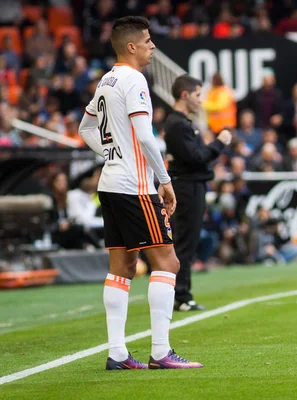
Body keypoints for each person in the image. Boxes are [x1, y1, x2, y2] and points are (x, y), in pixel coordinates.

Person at [77, 16, 202, 370]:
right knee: (168, 262)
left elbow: (85, 126)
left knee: (122, 267)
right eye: (148, 41)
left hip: (110, 183)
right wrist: (164, 179)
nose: (153, 46)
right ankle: (161, 351)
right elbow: (145, 136)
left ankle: (117, 353)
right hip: (135, 185)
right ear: (131, 46)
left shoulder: (106, 80)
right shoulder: (134, 80)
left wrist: (109, 154)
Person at [164, 74, 232, 311]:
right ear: (184, 95)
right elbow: (197, 157)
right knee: (185, 242)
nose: (200, 101)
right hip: (187, 186)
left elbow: (199, 156)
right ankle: (181, 296)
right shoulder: (177, 124)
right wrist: (220, 142)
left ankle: (182, 294)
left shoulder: (182, 123)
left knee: (188, 242)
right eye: (197, 95)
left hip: (191, 185)